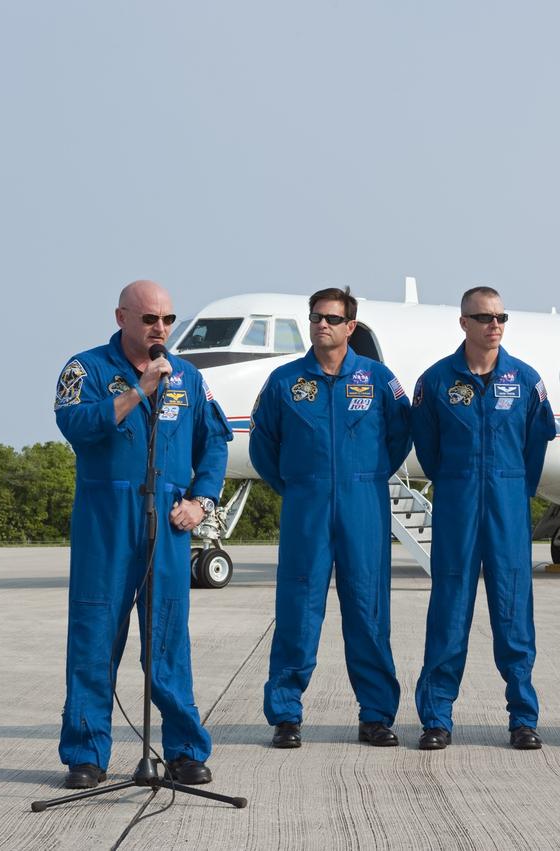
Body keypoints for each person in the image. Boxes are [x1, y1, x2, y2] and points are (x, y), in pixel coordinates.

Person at [53, 279, 231, 789]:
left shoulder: (190, 378)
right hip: (105, 523)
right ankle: (86, 753)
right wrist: (138, 392)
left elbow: (215, 440)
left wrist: (202, 501)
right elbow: (75, 424)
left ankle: (183, 750)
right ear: (121, 317)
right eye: (151, 319)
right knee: (94, 637)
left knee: (168, 640)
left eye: (168, 320)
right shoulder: (84, 369)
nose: (161, 329)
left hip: (167, 525)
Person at [250, 287, 412, 749]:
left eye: (333, 319)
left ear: (350, 327)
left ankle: (376, 715)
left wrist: (369, 475)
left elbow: (400, 435)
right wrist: (300, 485)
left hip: (364, 502)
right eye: (316, 317)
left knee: (368, 610)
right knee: (298, 611)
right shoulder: (285, 382)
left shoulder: (379, 380)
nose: (323, 325)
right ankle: (285, 715)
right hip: (307, 505)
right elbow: (265, 448)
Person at [410, 287, 557, 751]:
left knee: (514, 619)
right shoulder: (435, 382)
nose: (494, 325)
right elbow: (428, 453)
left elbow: (536, 448)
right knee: (449, 615)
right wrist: (460, 483)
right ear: (463, 323)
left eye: (501, 317)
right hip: (457, 507)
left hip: (509, 511)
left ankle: (523, 719)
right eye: (484, 317)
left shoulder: (527, 380)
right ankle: (436, 718)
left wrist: (512, 489)